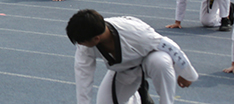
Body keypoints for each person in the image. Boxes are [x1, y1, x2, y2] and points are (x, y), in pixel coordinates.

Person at [67, 9, 197, 104]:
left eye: (81, 41)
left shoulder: (136, 32)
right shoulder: (85, 45)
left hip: (149, 61)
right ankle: (140, 98)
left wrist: (187, 73)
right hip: (123, 70)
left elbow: (169, 46)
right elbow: (83, 76)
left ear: (96, 39)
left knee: (161, 62)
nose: (79, 45)